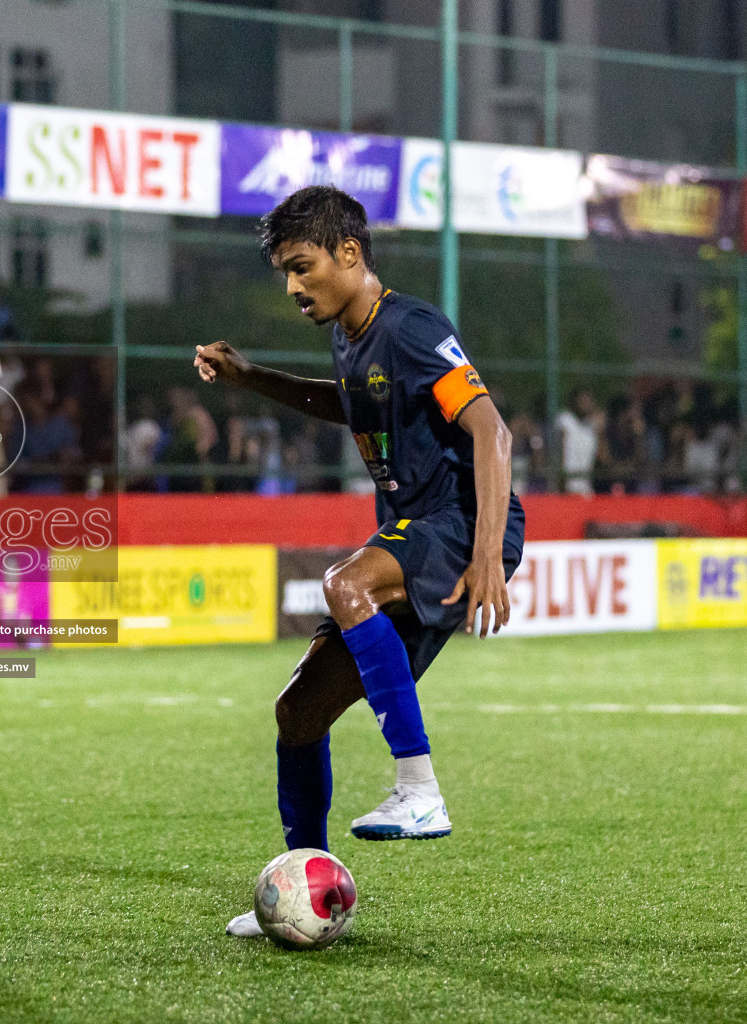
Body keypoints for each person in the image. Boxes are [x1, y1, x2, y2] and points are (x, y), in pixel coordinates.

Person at [193, 186, 524, 941]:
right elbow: (346, 403)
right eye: (284, 271)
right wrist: (251, 379)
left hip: (457, 525)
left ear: (350, 254)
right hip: (420, 534)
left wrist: (487, 557)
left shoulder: (410, 328)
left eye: (302, 266)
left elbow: (492, 433)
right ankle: (305, 884)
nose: (292, 286)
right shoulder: (349, 337)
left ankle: (419, 787)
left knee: (345, 581)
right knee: (297, 713)